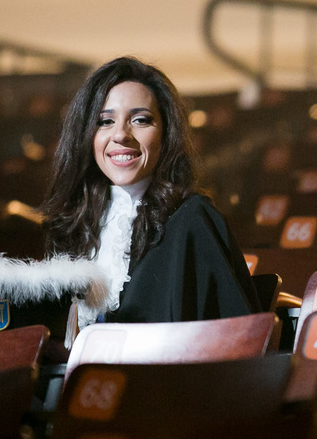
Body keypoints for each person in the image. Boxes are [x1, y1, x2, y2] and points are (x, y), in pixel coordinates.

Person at [40, 56, 259, 330]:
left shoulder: (193, 221)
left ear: (166, 134)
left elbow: (235, 338)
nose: (121, 134)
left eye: (140, 120)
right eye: (105, 121)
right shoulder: (74, 225)